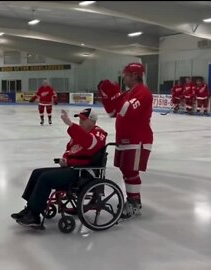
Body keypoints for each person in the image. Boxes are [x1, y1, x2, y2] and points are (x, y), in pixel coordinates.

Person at [11, 108, 107, 227]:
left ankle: (34, 216)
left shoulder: (99, 133)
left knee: (46, 178)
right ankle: (30, 208)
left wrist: (71, 125)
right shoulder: (80, 132)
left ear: (92, 121)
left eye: (83, 119)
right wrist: (66, 160)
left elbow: (89, 143)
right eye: (80, 119)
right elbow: (70, 149)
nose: (80, 122)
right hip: (72, 168)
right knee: (37, 173)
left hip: (83, 172)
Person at [98, 62, 153, 219]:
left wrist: (115, 94)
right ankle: (132, 200)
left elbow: (126, 110)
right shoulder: (129, 93)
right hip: (125, 139)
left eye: (126, 74)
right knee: (126, 171)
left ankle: (134, 203)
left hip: (138, 139)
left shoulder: (143, 92)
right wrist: (107, 96)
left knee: (131, 171)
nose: (123, 77)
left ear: (135, 75)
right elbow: (113, 111)